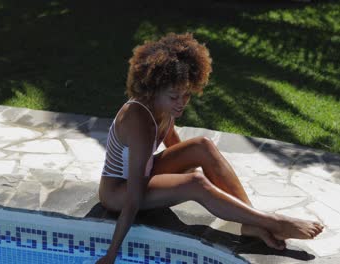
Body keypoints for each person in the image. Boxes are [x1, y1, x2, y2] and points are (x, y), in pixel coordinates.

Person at [97, 32, 323, 264]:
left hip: (141, 175)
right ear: (153, 89)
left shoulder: (165, 108)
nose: (182, 102)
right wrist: (111, 254)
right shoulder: (139, 121)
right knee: (195, 183)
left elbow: (178, 148)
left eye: (186, 95)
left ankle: (251, 222)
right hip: (118, 193)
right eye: (174, 96)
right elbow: (134, 197)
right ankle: (273, 222)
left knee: (202, 146)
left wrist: (188, 167)